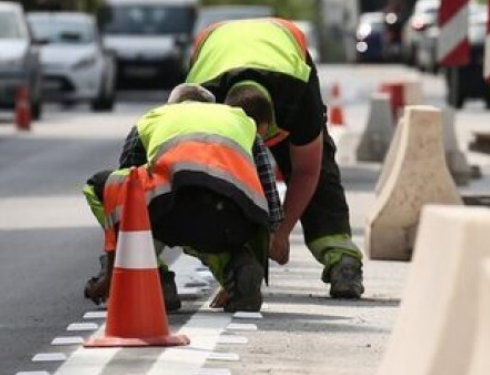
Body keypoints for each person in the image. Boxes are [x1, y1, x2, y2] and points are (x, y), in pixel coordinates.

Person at [186, 17, 365, 299]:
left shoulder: (297, 95)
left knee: (320, 160)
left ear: (274, 123)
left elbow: (307, 171)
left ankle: (342, 258)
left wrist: (281, 232)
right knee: (196, 179)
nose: (260, 151)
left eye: (263, 142)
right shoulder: (202, 100)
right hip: (215, 48)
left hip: (284, 49)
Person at [83, 83, 283, 313]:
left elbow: (127, 196)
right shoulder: (240, 121)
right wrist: (273, 232)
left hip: (170, 214)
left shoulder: (154, 118)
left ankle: (153, 280)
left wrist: (110, 277)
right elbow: (267, 190)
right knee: (219, 212)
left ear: (174, 105)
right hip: (231, 223)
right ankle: (238, 270)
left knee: (104, 185)